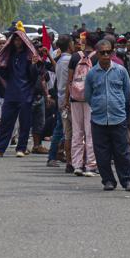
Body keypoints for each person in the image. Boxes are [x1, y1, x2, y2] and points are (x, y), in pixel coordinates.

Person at [85, 40, 130, 191]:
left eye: (109, 52)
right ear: (97, 54)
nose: (106, 55)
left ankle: (127, 180)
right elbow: (88, 96)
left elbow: (127, 93)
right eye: (102, 53)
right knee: (102, 154)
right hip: (99, 119)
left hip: (118, 118)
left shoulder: (121, 71)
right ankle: (108, 180)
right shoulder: (92, 74)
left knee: (122, 152)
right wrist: (99, 105)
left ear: (112, 53)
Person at [0, 30, 41, 157]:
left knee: (25, 123)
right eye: (15, 40)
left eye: (19, 40)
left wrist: (34, 65)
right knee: (6, 121)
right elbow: (5, 75)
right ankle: (0, 149)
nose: (17, 42)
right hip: (11, 92)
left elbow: (34, 77)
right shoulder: (9, 56)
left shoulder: (29, 56)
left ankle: (21, 148)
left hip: (25, 93)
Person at [68, 34, 98, 176]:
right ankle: (91, 165)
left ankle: (77, 165)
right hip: (91, 100)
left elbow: (69, 80)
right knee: (90, 132)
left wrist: (67, 99)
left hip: (75, 98)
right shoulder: (97, 57)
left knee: (77, 132)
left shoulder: (75, 57)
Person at [49, 34, 74, 169]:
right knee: (62, 130)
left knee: (62, 129)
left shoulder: (60, 60)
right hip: (66, 98)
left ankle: (57, 154)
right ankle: (53, 155)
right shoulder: (68, 60)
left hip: (61, 97)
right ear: (69, 45)